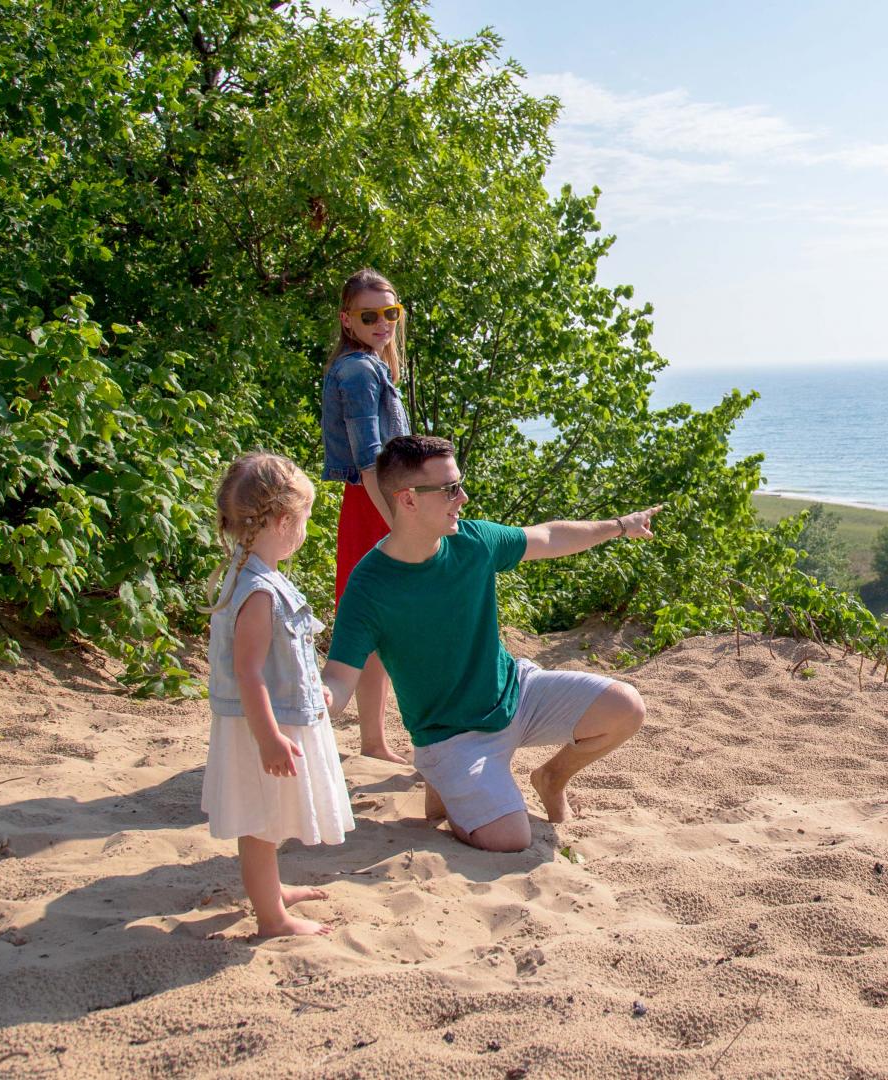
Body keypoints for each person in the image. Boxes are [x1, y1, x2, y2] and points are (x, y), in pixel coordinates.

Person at [322, 435, 657, 853]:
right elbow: (338, 679)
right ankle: (445, 779)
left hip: (516, 692)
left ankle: (550, 778)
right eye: (448, 489)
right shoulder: (369, 586)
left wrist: (620, 526)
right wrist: (312, 700)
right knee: (510, 839)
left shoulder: (472, 541)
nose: (462, 497)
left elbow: (549, 536)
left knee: (627, 707)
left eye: (458, 484)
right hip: (453, 735)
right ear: (407, 500)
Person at [200, 452, 353, 938]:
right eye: (305, 519)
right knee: (261, 824)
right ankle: (273, 919)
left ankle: (272, 891)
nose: (306, 531)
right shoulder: (259, 589)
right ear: (283, 520)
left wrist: (314, 693)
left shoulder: (251, 573)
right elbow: (248, 671)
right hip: (260, 724)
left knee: (268, 818)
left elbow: (278, 660)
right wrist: (268, 738)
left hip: (276, 714)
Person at [320, 268, 412, 764]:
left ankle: (373, 742)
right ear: (347, 320)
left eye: (390, 313)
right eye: (369, 315)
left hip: (379, 501)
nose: (383, 323)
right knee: (375, 630)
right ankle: (308, 732)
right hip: (376, 503)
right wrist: (400, 521)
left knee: (373, 631)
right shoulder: (358, 370)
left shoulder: (373, 366)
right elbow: (369, 459)